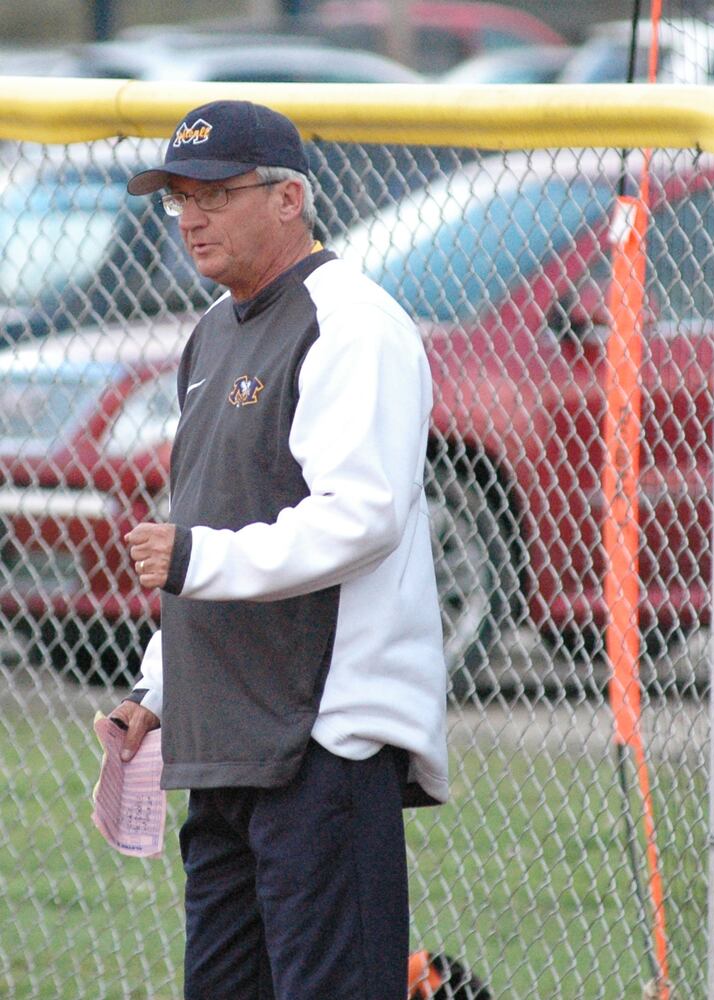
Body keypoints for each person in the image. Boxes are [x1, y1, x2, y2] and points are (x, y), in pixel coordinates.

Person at [107, 99, 448, 1000]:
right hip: (223, 743)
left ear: (289, 196)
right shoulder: (213, 331)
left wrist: (195, 561)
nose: (189, 216)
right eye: (176, 196)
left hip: (319, 744)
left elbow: (361, 516)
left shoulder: (352, 322)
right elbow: (216, 509)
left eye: (213, 193)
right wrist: (159, 688)